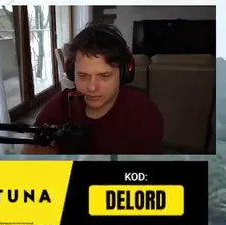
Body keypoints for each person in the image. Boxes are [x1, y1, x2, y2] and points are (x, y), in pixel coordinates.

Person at [23, 23, 163, 155]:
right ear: (71, 72)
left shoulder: (144, 114)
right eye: (83, 75)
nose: (92, 87)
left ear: (125, 73)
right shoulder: (58, 107)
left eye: (104, 76)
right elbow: (30, 159)